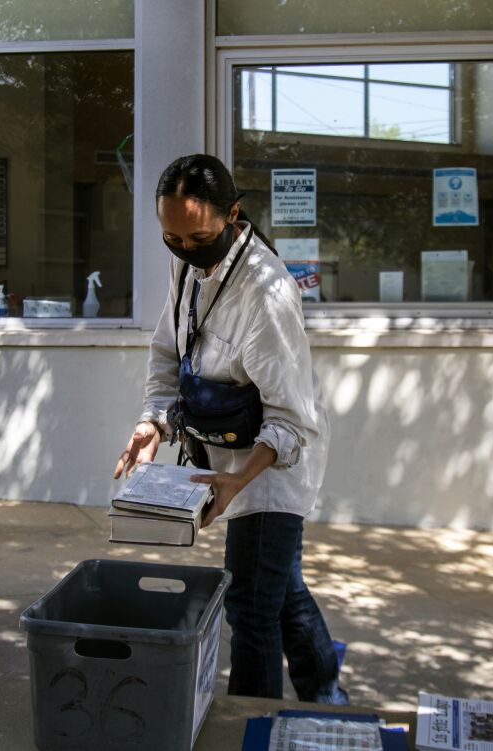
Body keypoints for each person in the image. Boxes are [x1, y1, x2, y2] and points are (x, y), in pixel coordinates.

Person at [113, 153, 347, 704]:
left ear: (232, 215)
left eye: (198, 238)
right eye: (172, 239)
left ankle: (251, 720)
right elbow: (169, 349)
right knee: (281, 589)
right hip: (227, 456)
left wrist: (239, 480)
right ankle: (326, 695)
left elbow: (290, 420)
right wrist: (153, 421)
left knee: (252, 606)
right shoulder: (187, 262)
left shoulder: (267, 295)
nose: (186, 250)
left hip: (273, 465)